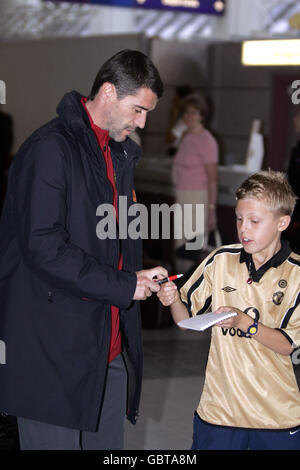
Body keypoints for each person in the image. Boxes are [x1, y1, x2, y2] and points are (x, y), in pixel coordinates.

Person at [0, 49, 168, 450]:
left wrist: (136, 275)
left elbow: (104, 243)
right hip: (50, 351)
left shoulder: (115, 154)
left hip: (103, 350)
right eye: (138, 109)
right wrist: (123, 285)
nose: (142, 122)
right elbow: (43, 247)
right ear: (108, 92)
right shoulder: (49, 149)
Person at [158, 170, 300, 450]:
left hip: (276, 418)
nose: (243, 228)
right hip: (218, 412)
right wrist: (172, 297)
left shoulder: (296, 274)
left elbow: (288, 345)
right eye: (239, 218)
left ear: (282, 222)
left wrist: (245, 323)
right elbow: (185, 320)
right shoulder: (220, 260)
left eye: (254, 221)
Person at [172, 93, 218, 270]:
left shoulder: (207, 141)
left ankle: (188, 292)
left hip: (197, 198)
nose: (189, 117)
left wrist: (211, 210)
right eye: (186, 112)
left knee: (191, 249)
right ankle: (178, 292)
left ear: (202, 115)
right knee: (179, 247)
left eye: (194, 112)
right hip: (182, 197)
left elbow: (213, 179)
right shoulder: (185, 136)